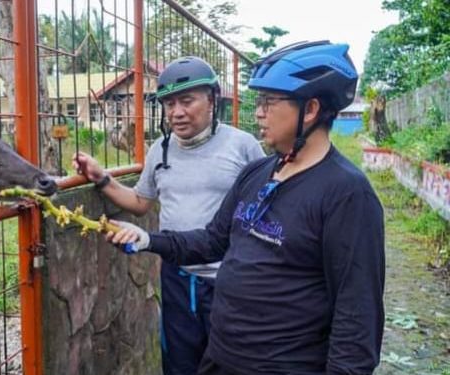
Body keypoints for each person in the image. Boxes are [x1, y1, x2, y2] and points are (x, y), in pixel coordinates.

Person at [106, 41, 385, 374]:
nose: (258, 113)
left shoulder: (347, 194)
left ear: (309, 110)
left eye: (268, 102)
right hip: (222, 359)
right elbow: (212, 241)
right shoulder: (258, 173)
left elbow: (357, 316)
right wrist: (149, 240)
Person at [73, 56, 265, 375]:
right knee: (179, 365)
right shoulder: (160, 149)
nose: (176, 112)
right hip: (177, 280)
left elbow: (265, 212)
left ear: (212, 99)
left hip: (231, 283)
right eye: (168, 103)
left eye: (187, 101)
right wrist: (101, 177)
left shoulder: (243, 147)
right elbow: (139, 201)